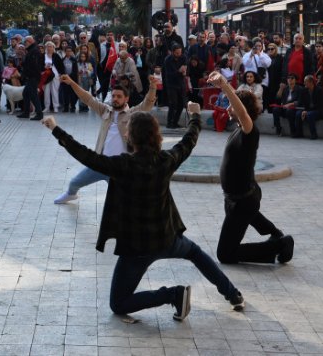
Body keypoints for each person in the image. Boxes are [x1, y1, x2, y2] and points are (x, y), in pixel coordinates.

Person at [42, 103, 245, 319]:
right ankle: (233, 294)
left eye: (128, 130)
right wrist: (195, 115)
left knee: (118, 304)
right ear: (155, 135)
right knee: (196, 254)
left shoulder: (123, 165)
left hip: (137, 248)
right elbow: (189, 141)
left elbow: (86, 156)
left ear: (131, 137)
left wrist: (56, 129)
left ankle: (174, 295)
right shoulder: (166, 160)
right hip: (168, 238)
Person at [207, 71, 294, 265]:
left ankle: (279, 245)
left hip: (242, 202)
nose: (228, 108)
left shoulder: (249, 130)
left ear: (241, 109)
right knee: (251, 213)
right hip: (240, 198)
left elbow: (241, 111)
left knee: (225, 255)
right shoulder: (239, 128)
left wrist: (224, 85)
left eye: (232, 105)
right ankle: (275, 234)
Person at [54, 75, 158, 204]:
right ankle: (71, 195)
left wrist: (153, 86)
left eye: (119, 97)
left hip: (120, 168)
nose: (115, 99)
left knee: (123, 199)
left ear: (126, 99)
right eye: (113, 96)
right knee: (74, 182)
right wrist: (71, 83)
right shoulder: (105, 111)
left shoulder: (132, 114)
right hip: (100, 163)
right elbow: (87, 98)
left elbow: (147, 104)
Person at [17, 36, 44, 120]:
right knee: (26, 93)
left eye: (25, 42)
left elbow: (35, 65)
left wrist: (29, 73)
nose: (24, 44)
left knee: (33, 95)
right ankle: (26, 112)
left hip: (33, 77)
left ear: (29, 42)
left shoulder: (34, 51)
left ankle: (39, 114)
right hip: (31, 76)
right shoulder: (31, 50)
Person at [294, 75, 323, 139]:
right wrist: (304, 110)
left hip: (319, 111)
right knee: (298, 113)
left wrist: (307, 111)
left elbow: (320, 105)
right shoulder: (304, 91)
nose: (304, 83)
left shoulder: (319, 90)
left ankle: (314, 134)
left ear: (311, 82)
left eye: (305, 82)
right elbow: (302, 103)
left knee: (310, 114)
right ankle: (299, 133)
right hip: (308, 109)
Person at [163, 45, 188, 128]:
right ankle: (169, 122)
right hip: (171, 84)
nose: (179, 54)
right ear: (173, 52)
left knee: (181, 104)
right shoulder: (168, 60)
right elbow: (169, 74)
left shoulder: (183, 57)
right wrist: (179, 71)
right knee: (173, 103)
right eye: (177, 53)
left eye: (180, 52)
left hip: (181, 83)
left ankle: (175, 122)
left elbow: (185, 66)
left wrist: (184, 71)